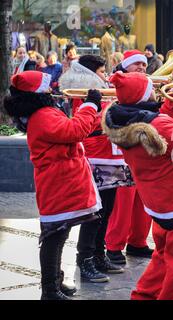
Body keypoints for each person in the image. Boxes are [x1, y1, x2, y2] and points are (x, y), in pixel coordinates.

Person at [102, 71, 173, 300]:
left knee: (162, 258)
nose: (155, 90)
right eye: (150, 88)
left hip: (159, 204)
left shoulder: (125, 120)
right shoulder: (156, 125)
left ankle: (143, 296)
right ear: (143, 95)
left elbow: (161, 130)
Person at [3, 71, 102, 299]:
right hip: (58, 182)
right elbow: (75, 131)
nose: (52, 90)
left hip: (61, 180)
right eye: (47, 88)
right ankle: (49, 289)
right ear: (37, 94)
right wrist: (90, 106)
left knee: (60, 233)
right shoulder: (43, 116)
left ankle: (55, 281)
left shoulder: (42, 113)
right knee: (54, 236)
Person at [59, 55, 126, 280]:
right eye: (101, 72)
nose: (105, 76)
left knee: (106, 210)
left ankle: (99, 254)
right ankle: (85, 259)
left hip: (109, 154)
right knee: (94, 213)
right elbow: (85, 123)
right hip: (95, 155)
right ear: (89, 73)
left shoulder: (100, 90)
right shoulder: (83, 92)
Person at [105, 49, 153, 265]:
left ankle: (138, 241)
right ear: (126, 66)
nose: (142, 68)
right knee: (122, 204)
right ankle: (114, 246)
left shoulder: (148, 84)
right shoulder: (115, 86)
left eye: (144, 65)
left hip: (143, 152)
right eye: (137, 65)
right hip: (121, 154)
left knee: (143, 201)